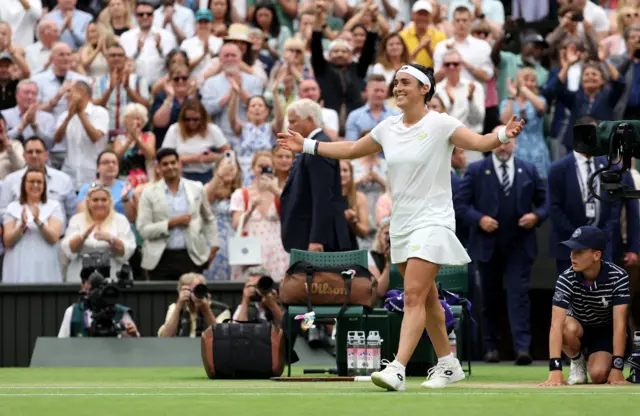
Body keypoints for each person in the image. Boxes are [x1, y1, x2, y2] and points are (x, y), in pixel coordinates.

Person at [277, 63, 525, 390]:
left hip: (433, 221)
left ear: (425, 89)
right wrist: (308, 145)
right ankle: (449, 364)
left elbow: (479, 143)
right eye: (396, 83)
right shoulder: (387, 128)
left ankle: (397, 368)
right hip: (403, 224)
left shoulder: (441, 123)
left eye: (405, 82)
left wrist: (504, 134)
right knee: (428, 297)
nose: (398, 88)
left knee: (412, 295)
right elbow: (351, 149)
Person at [539, 226, 630, 386]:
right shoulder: (565, 278)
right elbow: (556, 325)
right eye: (571, 250)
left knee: (599, 376)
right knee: (566, 327)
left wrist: (617, 368)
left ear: (596, 255)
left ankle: (600, 362)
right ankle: (577, 361)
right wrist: (555, 370)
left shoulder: (619, 277)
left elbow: (620, 325)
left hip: (604, 331)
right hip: (578, 328)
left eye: (579, 251)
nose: (572, 256)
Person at [279, 99, 355, 253]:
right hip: (306, 235)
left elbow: (323, 196)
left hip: (315, 240)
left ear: (309, 120)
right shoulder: (312, 146)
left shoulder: (319, 148)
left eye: (293, 122)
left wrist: (316, 239)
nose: (289, 127)